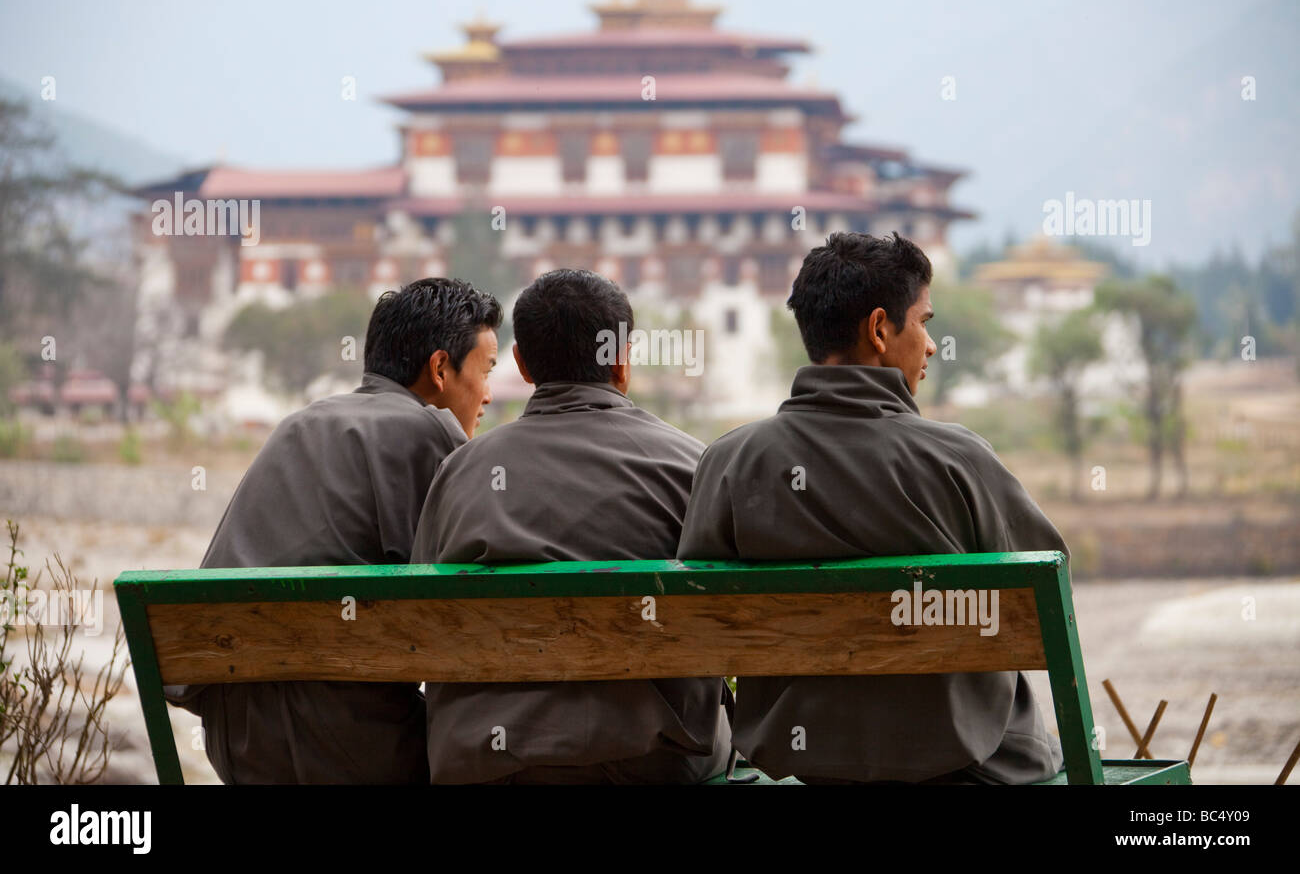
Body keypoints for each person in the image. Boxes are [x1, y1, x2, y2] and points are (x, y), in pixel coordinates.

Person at [677, 231, 1066, 784]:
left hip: (803, 758)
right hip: (972, 760)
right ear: (881, 329)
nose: (931, 345)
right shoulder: (958, 460)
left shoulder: (729, 463)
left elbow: (704, 619)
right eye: (925, 322)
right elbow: (1047, 603)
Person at [165, 277, 502, 784]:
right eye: (486, 372)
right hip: (356, 741)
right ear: (439, 368)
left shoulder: (298, 424)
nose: (490, 396)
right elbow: (472, 611)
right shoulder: (429, 433)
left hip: (239, 741)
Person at [412, 268, 732, 784]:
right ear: (623, 362)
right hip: (653, 762)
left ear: (521, 363)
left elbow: (422, 621)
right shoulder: (692, 465)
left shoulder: (462, 472)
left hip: (486, 761)